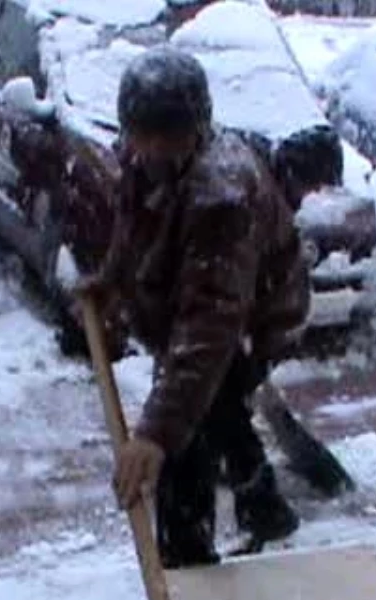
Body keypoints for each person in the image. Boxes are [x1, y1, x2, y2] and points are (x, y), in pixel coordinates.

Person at [77, 46, 309, 569]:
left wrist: (155, 436)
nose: (148, 151)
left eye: (165, 139)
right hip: (202, 312)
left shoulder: (220, 195)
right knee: (217, 408)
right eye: (141, 137)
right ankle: (265, 504)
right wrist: (111, 280)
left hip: (255, 313)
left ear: (196, 129)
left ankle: (187, 561)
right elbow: (134, 226)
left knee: (188, 437)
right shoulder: (141, 156)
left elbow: (209, 327)